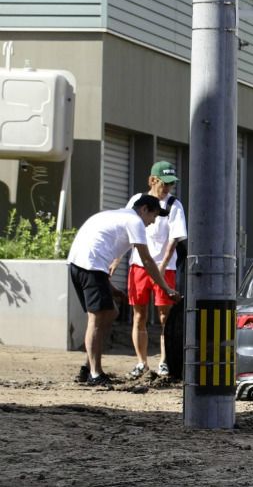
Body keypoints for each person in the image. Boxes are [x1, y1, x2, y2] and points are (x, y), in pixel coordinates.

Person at [66, 195, 177, 386]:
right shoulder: (134, 221)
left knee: (110, 313)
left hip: (79, 264)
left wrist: (111, 288)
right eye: (153, 216)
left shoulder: (116, 216)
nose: (152, 223)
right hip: (89, 266)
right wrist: (165, 287)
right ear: (143, 209)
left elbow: (98, 250)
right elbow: (148, 261)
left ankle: (90, 367)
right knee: (97, 318)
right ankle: (93, 373)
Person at [111, 161, 187, 379]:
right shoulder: (137, 201)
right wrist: (117, 260)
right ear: (153, 180)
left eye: (172, 185)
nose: (168, 189)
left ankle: (164, 361)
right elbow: (125, 230)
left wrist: (162, 265)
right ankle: (141, 362)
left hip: (166, 267)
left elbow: (175, 237)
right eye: (165, 184)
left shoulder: (174, 205)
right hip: (139, 265)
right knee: (139, 315)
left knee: (166, 316)